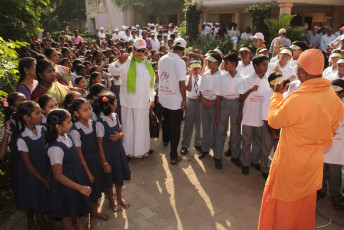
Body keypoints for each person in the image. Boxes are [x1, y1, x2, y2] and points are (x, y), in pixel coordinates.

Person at [258, 49, 344, 230]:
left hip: (289, 166)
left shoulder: (297, 99)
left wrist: (276, 95)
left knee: (283, 211)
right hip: (312, 165)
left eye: (298, 69)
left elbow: (274, 120)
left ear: (302, 72)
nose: (296, 72)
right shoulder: (334, 99)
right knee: (303, 211)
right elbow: (332, 128)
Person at [108, 38, 155, 159]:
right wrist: (119, 62)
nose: (140, 52)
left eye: (142, 50)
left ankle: (142, 151)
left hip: (143, 103)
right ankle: (128, 151)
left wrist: (152, 98)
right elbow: (112, 70)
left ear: (145, 51)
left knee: (142, 127)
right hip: (128, 101)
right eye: (137, 50)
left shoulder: (148, 65)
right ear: (133, 49)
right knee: (128, 127)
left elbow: (151, 85)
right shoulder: (126, 61)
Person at [46, 109, 92, 229]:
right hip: (65, 187)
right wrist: (80, 187)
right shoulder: (55, 148)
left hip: (75, 179)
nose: (71, 123)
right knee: (67, 216)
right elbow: (58, 175)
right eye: (68, 122)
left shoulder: (67, 136)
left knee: (74, 209)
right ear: (58, 126)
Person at [15, 101, 56, 230]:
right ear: (26, 117)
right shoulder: (22, 139)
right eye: (37, 113)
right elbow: (29, 165)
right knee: (39, 204)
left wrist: (49, 173)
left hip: (46, 170)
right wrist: (43, 179)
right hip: (34, 176)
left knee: (49, 200)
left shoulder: (43, 129)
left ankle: (53, 225)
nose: (41, 115)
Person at [69, 99, 109, 228]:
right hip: (85, 164)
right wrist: (87, 172)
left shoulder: (94, 124)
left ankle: (96, 212)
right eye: (85, 110)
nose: (89, 112)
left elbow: (99, 145)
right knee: (90, 191)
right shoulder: (75, 131)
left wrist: (104, 162)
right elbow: (79, 154)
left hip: (95, 161)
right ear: (76, 113)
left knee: (96, 189)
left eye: (90, 109)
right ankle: (92, 216)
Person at [95, 92, 131, 211]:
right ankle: (111, 200)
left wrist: (120, 135)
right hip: (108, 155)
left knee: (119, 176)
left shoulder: (115, 116)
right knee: (109, 179)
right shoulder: (100, 123)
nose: (117, 103)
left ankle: (119, 198)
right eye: (115, 102)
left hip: (118, 152)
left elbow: (121, 131)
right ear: (109, 105)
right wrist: (104, 163)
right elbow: (99, 144)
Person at [238, 55, 270, 175]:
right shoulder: (246, 79)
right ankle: (245, 163)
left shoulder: (267, 80)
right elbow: (240, 99)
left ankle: (254, 161)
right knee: (246, 141)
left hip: (261, 118)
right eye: (263, 64)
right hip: (248, 116)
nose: (266, 67)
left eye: (267, 64)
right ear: (255, 65)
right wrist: (250, 90)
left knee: (258, 141)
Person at [158, 38, 187, 165]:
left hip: (164, 96)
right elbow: (182, 83)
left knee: (166, 119)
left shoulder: (162, 58)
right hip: (175, 99)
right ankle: (174, 155)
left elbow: (161, 77)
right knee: (175, 127)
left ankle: (165, 139)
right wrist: (184, 100)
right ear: (183, 50)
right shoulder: (179, 62)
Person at [317, 79, 344, 210]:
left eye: (338, 92)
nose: (334, 94)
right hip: (323, 143)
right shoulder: (323, 103)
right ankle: (321, 190)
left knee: (335, 172)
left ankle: (335, 196)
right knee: (320, 169)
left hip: (338, 146)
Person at [214, 53, 242, 169]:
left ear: (233, 64)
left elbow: (242, 98)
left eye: (226, 63)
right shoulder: (222, 78)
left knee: (235, 131)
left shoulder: (241, 78)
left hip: (236, 104)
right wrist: (217, 113)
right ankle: (217, 156)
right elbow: (218, 97)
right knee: (221, 130)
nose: (223, 65)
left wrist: (240, 114)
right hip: (224, 103)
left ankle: (235, 156)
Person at [198, 53, 222, 159]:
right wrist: (203, 100)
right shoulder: (206, 75)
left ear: (216, 63)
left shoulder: (221, 76)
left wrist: (211, 103)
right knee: (206, 127)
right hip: (205, 104)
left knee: (216, 129)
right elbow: (201, 90)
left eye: (210, 61)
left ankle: (216, 151)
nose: (208, 63)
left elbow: (220, 94)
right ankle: (205, 149)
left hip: (215, 105)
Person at [260, 73, 282, 180]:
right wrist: (272, 132)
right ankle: (264, 169)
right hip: (269, 128)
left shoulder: (284, 94)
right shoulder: (268, 95)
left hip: (281, 129)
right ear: (270, 84)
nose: (278, 84)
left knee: (279, 152)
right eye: (275, 82)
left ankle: (276, 171)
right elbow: (264, 117)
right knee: (266, 149)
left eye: (280, 81)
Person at [180, 61, 202, 155]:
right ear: (191, 69)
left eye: (198, 68)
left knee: (198, 124)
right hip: (190, 101)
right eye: (194, 68)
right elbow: (189, 88)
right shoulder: (187, 77)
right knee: (188, 124)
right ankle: (185, 145)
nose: (196, 70)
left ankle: (198, 143)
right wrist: (190, 76)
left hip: (199, 102)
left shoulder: (201, 78)